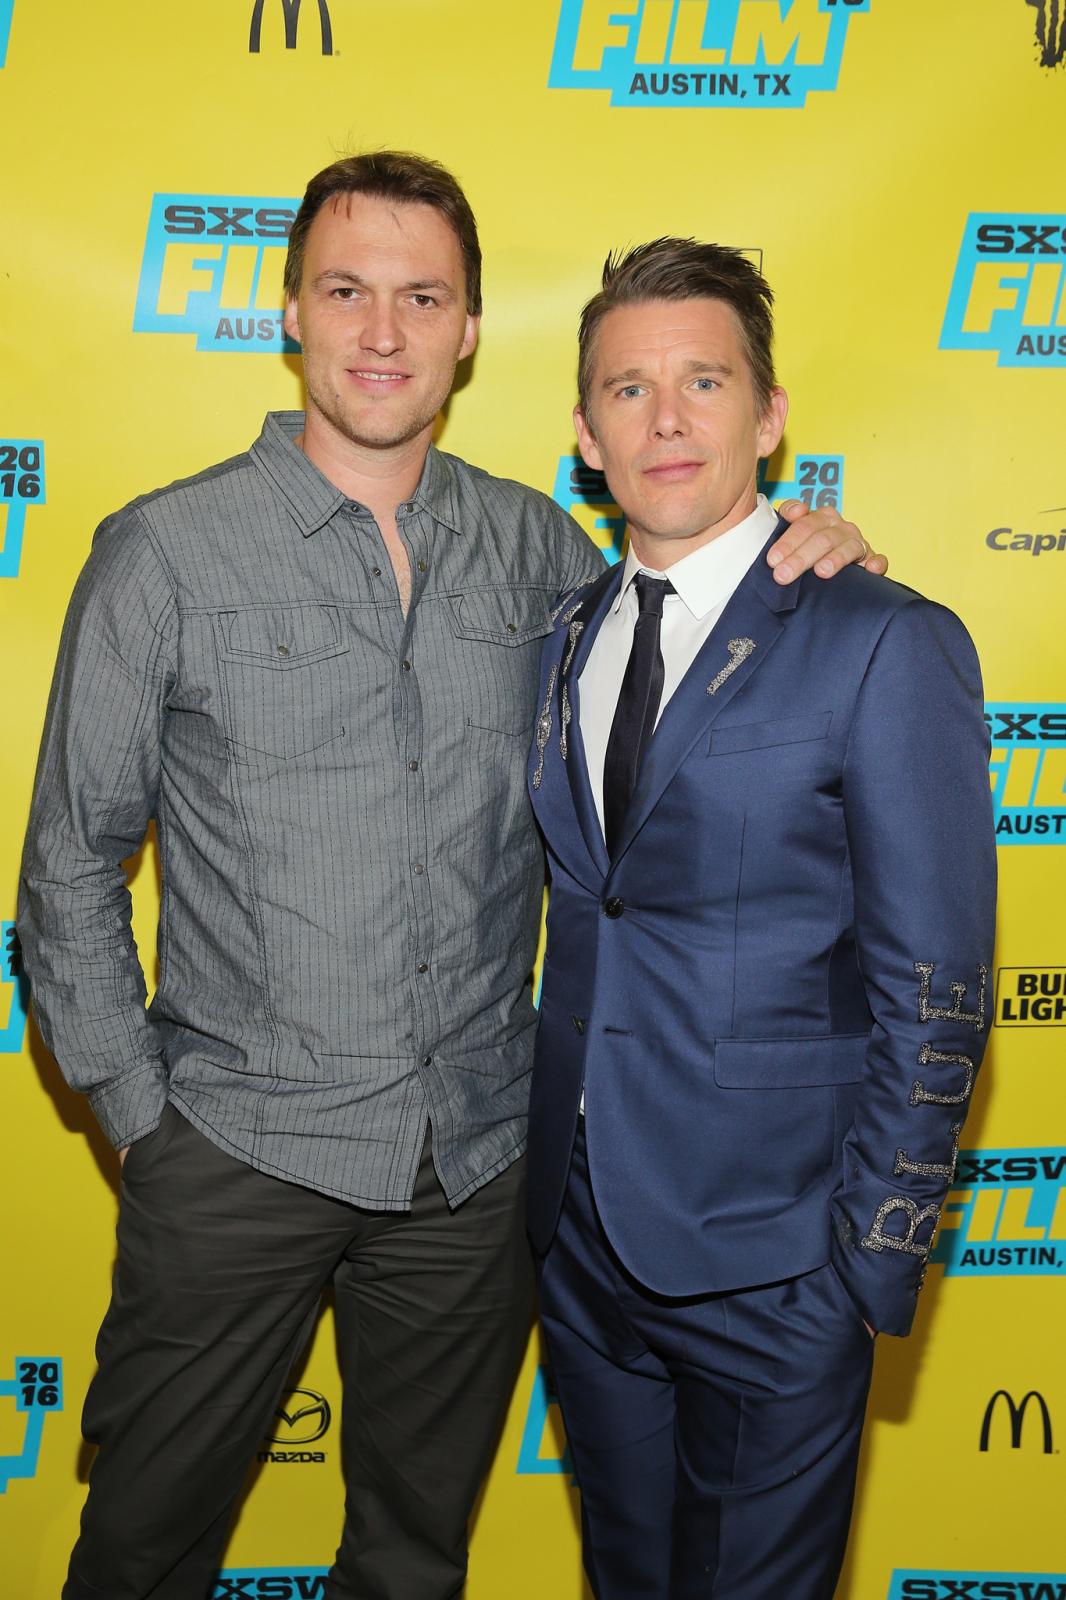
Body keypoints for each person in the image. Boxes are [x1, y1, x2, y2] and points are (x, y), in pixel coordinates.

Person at [18, 156, 882, 1600]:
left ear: (470, 329)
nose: (382, 333)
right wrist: (148, 1127)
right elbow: (67, 866)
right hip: (235, 1151)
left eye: (422, 298)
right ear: (289, 311)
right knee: (142, 1552)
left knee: (415, 1560)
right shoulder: (162, 553)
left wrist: (819, 548)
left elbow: (698, 601)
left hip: (475, 1170)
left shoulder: (543, 551)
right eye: (346, 291)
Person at [527, 238, 996, 1600]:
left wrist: (863, 1261)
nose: (666, 420)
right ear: (586, 436)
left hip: (781, 1264)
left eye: (705, 381)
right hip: (580, 1243)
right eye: (627, 389)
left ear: (770, 415)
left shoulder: (877, 637)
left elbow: (938, 984)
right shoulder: (559, 634)